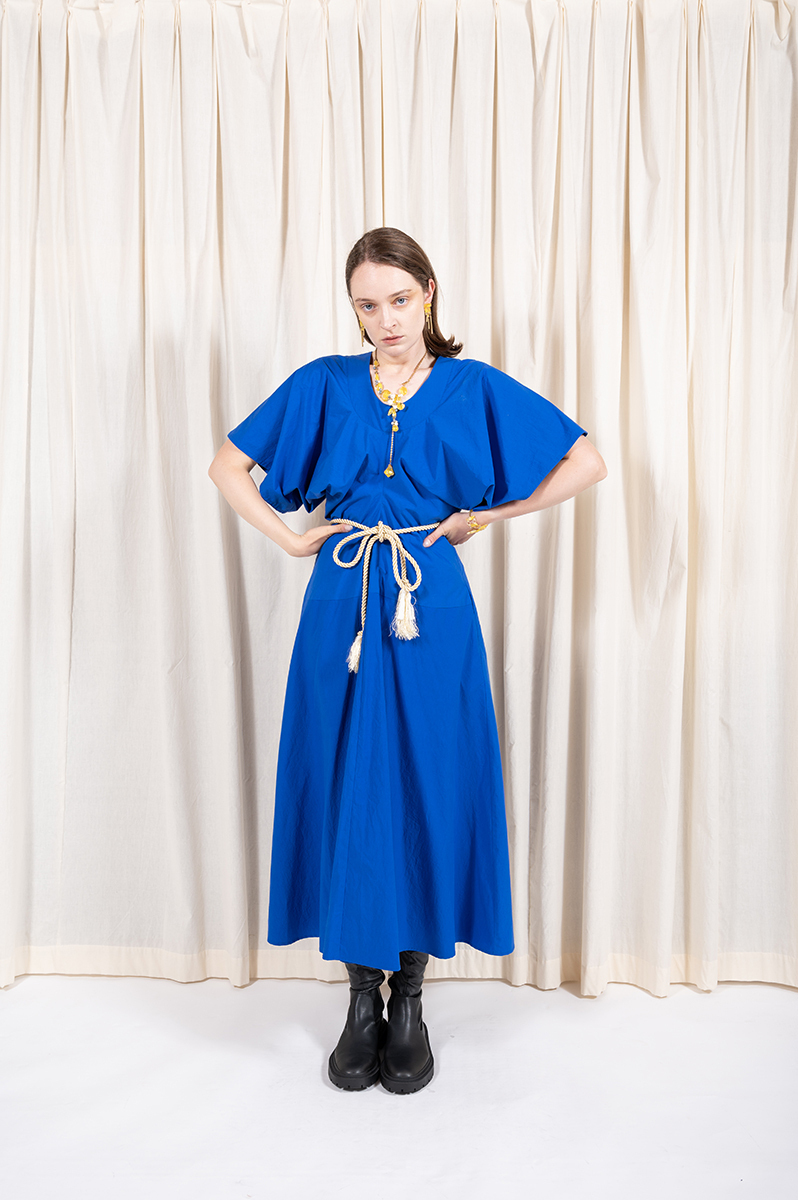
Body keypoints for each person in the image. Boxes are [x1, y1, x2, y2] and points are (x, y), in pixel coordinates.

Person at [208, 227, 607, 1095]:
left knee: (428, 777)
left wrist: (484, 516)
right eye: (367, 304)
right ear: (353, 309)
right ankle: (362, 998)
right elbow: (227, 466)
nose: (385, 319)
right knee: (347, 780)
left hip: (431, 606)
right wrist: (289, 539)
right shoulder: (322, 383)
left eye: (398, 298)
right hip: (341, 603)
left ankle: (412, 998)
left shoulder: (472, 386)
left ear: (428, 292)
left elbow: (586, 460)